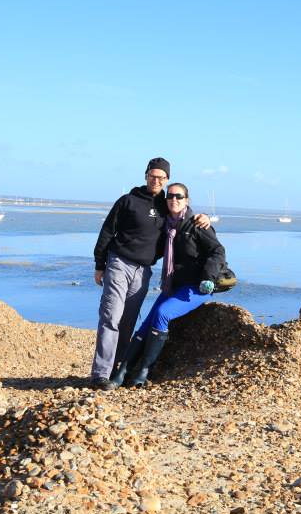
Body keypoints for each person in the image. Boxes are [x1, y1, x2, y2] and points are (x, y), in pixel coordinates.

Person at [90, 158, 209, 390]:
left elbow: (183, 213)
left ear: (166, 180)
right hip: (119, 263)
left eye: (161, 178)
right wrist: (99, 264)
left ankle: (118, 371)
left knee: (128, 321)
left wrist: (203, 217)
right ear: (146, 176)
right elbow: (107, 230)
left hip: (144, 271)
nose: (156, 180)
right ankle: (100, 374)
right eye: (153, 176)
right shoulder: (128, 201)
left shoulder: (167, 205)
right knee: (111, 316)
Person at [109, 182, 226, 388]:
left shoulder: (197, 224)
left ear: (186, 201)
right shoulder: (165, 225)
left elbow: (217, 251)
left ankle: (144, 371)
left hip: (197, 287)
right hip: (174, 285)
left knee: (162, 313)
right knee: (146, 324)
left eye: (179, 197)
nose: (174, 200)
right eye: (170, 196)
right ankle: (123, 371)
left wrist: (208, 277)